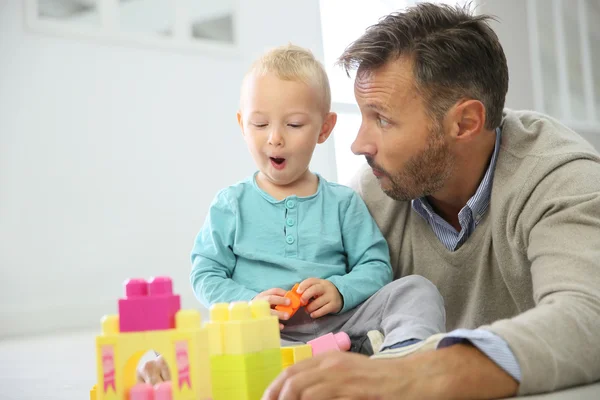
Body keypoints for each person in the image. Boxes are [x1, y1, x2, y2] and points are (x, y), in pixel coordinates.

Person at [262, 3, 600, 400]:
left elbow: (588, 318)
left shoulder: (559, 178)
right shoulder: (373, 193)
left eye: (382, 119)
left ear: (464, 122)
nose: (358, 145)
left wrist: (411, 374)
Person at [137, 44, 446, 383]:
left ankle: (405, 356)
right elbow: (206, 273)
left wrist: (340, 290)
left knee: (415, 289)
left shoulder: (343, 202)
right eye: (260, 124)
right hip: (258, 334)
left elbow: (376, 266)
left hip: (339, 323)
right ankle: (169, 371)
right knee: (204, 338)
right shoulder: (231, 204)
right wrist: (249, 303)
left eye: (295, 124)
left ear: (324, 129)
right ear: (243, 125)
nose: (275, 138)